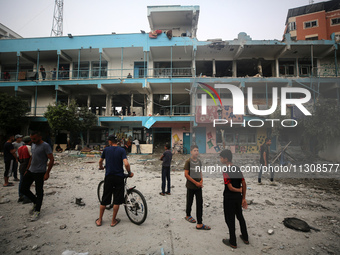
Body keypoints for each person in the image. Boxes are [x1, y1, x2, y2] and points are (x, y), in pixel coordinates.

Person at [96, 135, 133, 227]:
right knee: (117, 200)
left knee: (105, 198)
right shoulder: (122, 150)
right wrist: (129, 172)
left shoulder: (106, 150)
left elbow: (100, 161)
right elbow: (126, 163)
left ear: (110, 141)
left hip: (109, 177)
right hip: (119, 177)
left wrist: (101, 167)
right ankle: (113, 221)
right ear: (117, 142)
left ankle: (100, 220)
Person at [20, 131, 54, 221]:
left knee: (39, 191)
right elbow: (32, 157)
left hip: (40, 172)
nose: (32, 140)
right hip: (31, 171)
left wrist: (47, 172)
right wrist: (27, 169)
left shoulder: (45, 146)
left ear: (40, 137)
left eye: (34, 138)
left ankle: (37, 210)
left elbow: (51, 159)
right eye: (31, 139)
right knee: (23, 188)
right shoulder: (33, 145)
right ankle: (36, 202)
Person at [220, 149, 249, 249]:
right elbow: (244, 183)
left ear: (226, 159)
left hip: (229, 198)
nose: (220, 159)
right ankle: (245, 237)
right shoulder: (237, 168)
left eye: (221, 158)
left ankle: (233, 242)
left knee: (230, 219)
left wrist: (239, 190)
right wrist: (243, 197)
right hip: (238, 198)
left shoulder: (226, 171)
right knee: (240, 216)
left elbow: (230, 187)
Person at [184, 145, 211, 230]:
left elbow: (200, 172)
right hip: (191, 186)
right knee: (189, 201)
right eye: (194, 150)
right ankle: (188, 215)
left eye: (197, 150)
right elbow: (186, 174)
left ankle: (199, 223)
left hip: (198, 186)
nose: (196, 152)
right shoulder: (188, 161)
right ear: (191, 152)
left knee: (199, 204)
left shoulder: (199, 161)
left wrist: (201, 181)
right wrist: (196, 183)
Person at [17, 136, 32, 203]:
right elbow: (32, 157)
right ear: (30, 141)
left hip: (21, 166)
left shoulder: (20, 148)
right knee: (27, 183)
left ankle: (21, 196)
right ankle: (26, 197)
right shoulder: (29, 147)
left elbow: (18, 157)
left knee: (21, 182)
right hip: (27, 167)